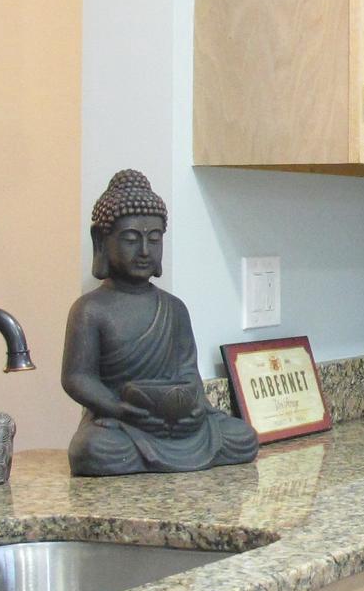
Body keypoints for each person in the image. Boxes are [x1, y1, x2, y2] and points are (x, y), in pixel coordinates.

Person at [62, 170, 258, 475]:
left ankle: (182, 439)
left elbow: (187, 372)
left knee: (242, 437)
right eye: (130, 239)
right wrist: (118, 408)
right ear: (101, 240)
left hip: (179, 424)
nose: (144, 251)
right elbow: (77, 378)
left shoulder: (174, 308)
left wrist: (193, 410)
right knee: (91, 450)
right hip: (122, 424)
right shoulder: (90, 310)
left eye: (154, 239)